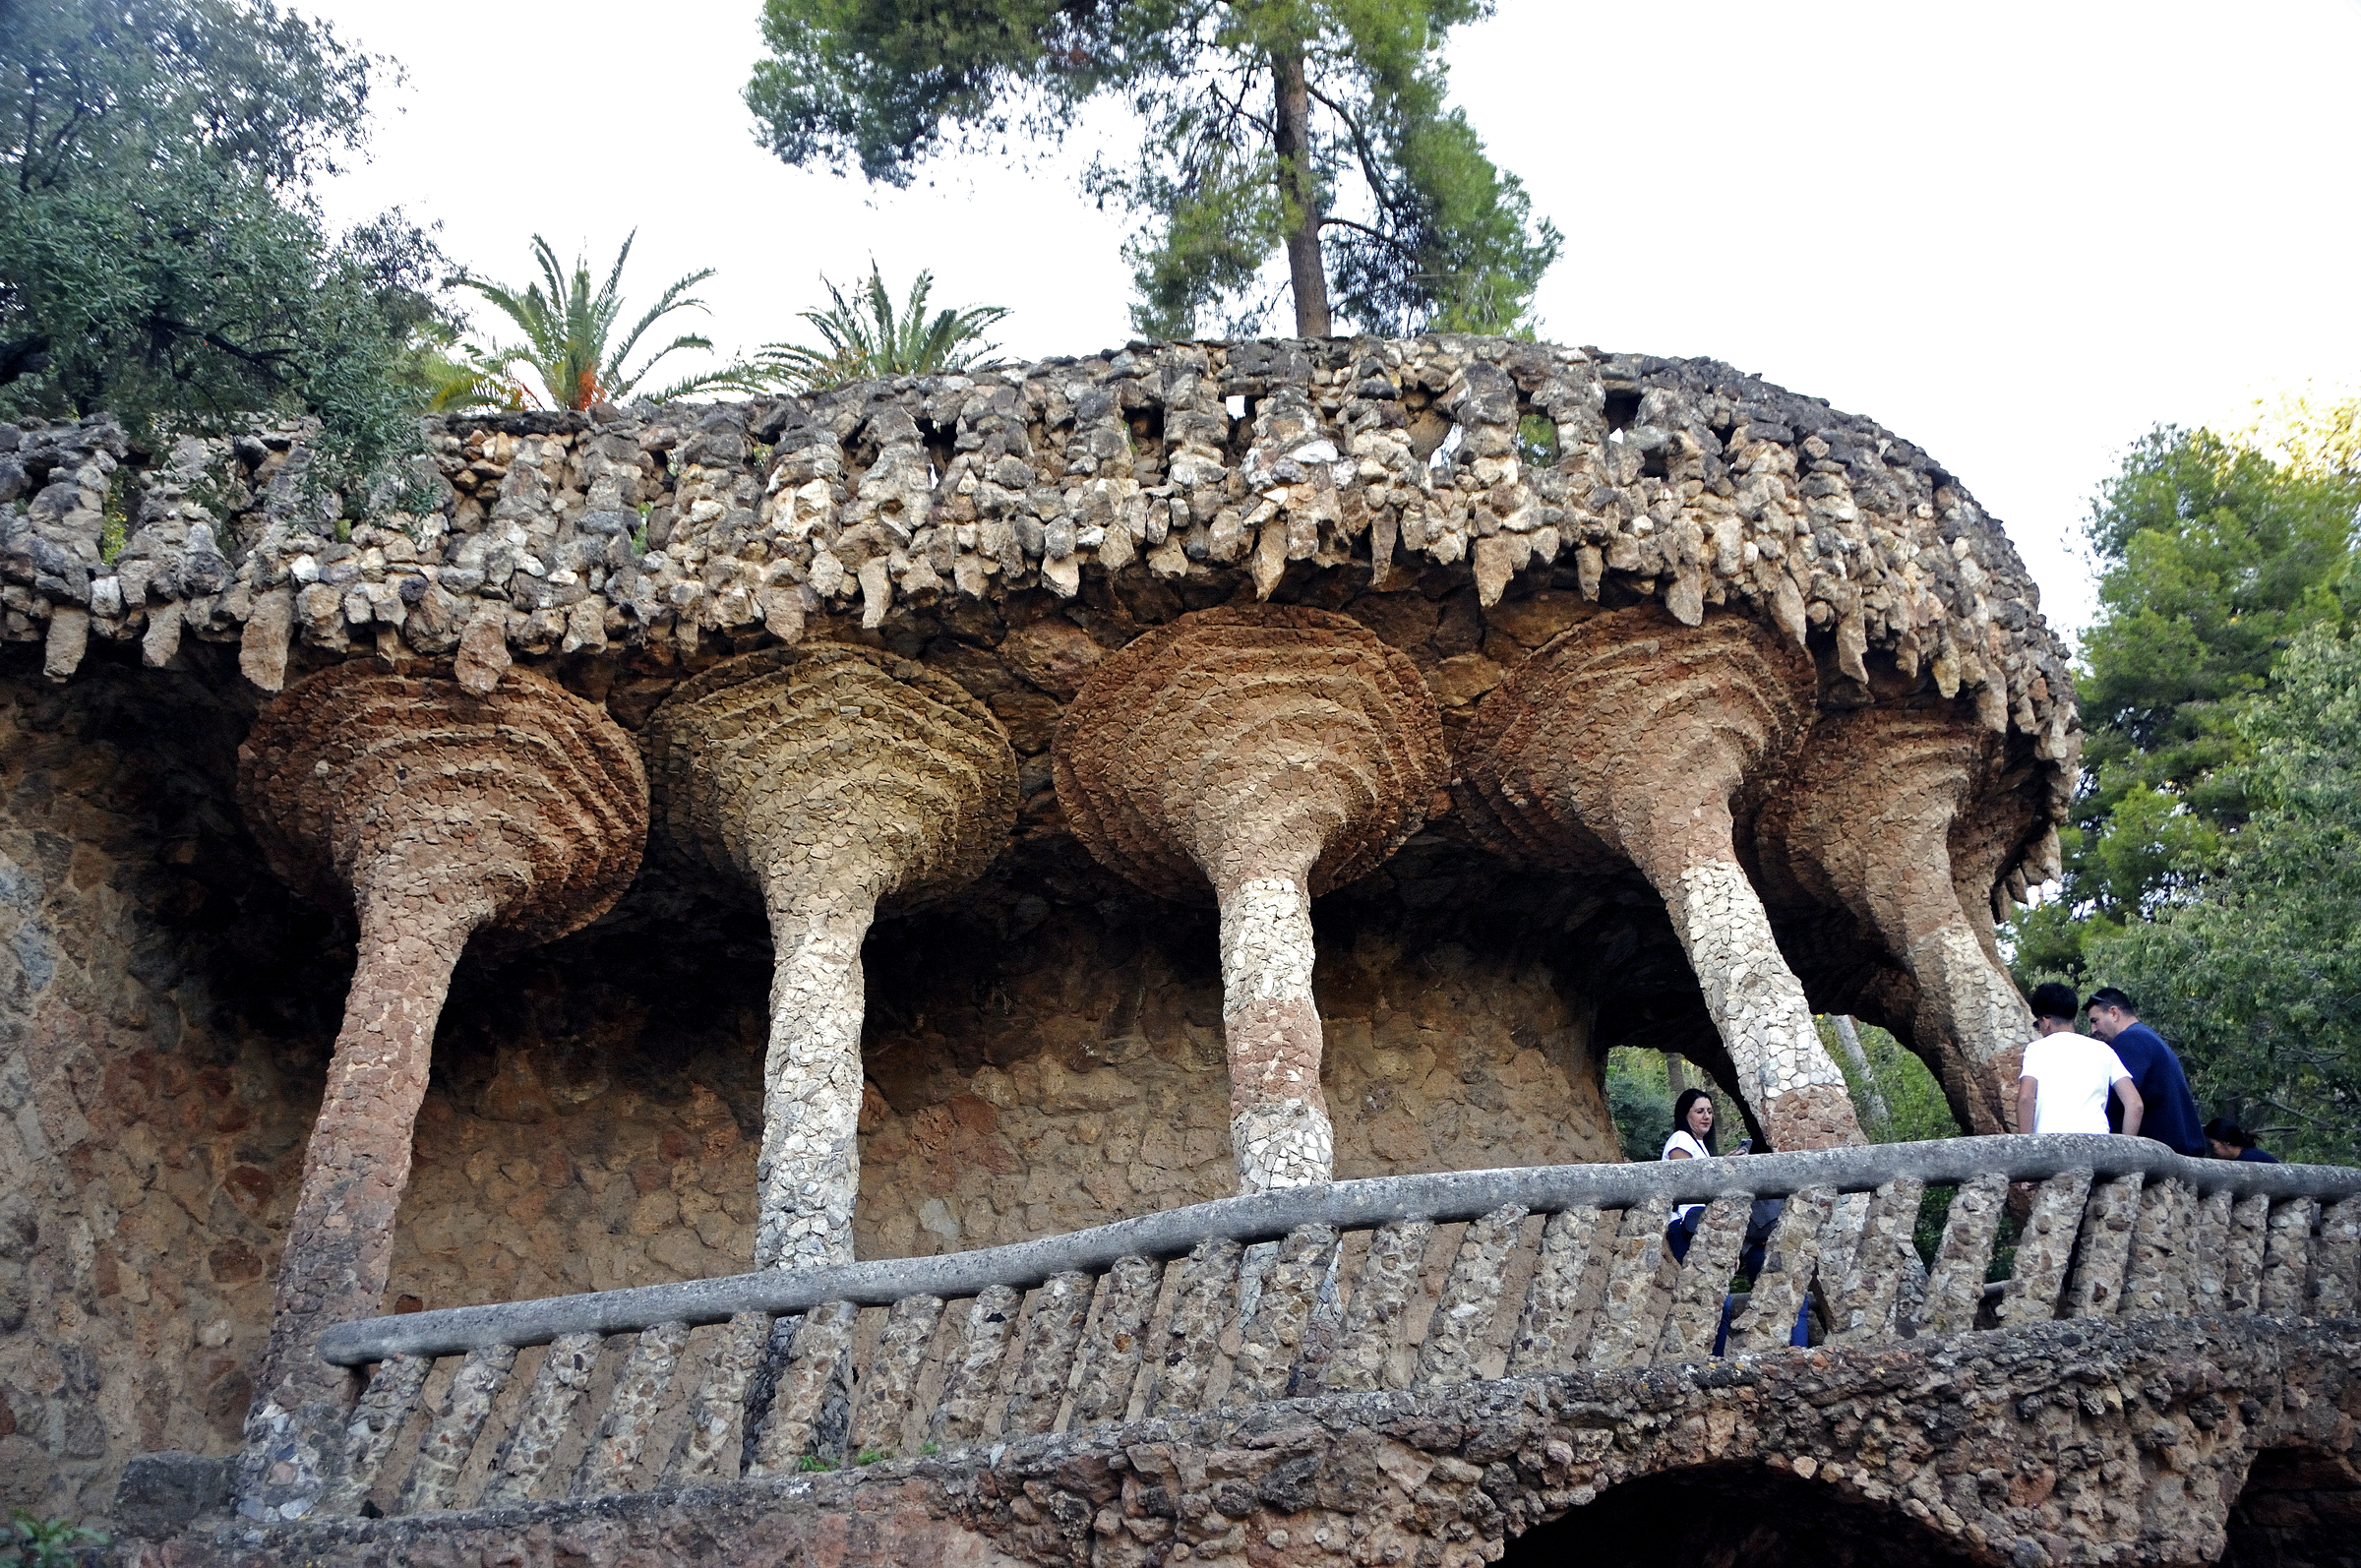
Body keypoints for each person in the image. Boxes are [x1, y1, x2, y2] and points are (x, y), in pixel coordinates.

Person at [2084, 987, 2208, 1157]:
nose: (2093, 1030)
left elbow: (2118, 1100)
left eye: (2095, 1021)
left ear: (2114, 1013)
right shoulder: (2147, 1036)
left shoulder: (2129, 1040)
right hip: (2180, 1149)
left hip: (2164, 1152)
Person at [2017, 982, 2143, 1136]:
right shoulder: (2103, 1049)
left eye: (2038, 1024)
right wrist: (2126, 1147)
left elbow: (2025, 1098)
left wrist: (2026, 1146)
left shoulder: (2036, 1049)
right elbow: (2135, 1104)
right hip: (2099, 1143)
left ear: (2046, 1021)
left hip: (2051, 1143)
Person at [2205, 1116, 2281, 1164]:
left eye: (2212, 1145)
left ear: (2225, 1142)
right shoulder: (2242, 1156)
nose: (2212, 1150)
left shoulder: (2250, 1159)